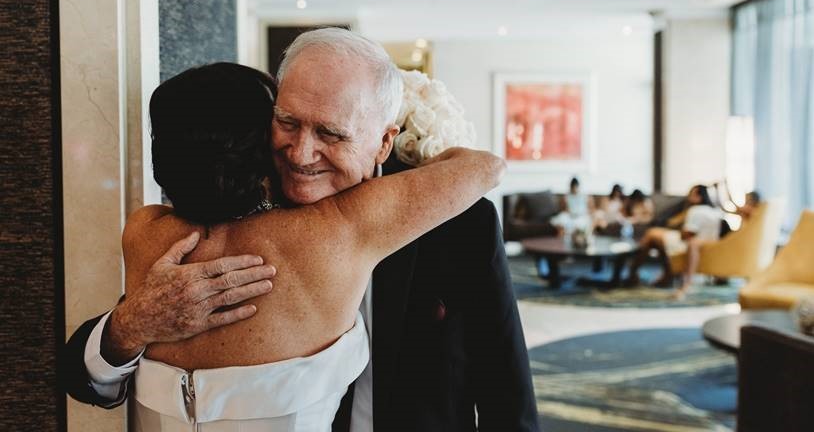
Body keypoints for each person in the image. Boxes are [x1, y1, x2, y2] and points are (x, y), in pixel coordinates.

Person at [60, 28, 539, 431]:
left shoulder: (459, 223)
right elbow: (85, 377)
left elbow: (505, 388)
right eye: (287, 122)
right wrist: (129, 325)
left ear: (384, 141)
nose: (300, 153)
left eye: (330, 133)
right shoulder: (227, 214)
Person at [673, 189, 761, 299]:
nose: (744, 202)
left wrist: (726, 189)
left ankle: (687, 283)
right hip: (736, 240)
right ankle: (715, 278)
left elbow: (735, 207)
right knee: (697, 241)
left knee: (693, 243)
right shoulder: (753, 212)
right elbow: (727, 209)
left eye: (746, 199)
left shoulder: (753, 211)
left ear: (752, 201)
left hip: (736, 244)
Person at [627, 185, 717, 287]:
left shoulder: (696, 211)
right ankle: (666, 275)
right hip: (707, 245)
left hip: (689, 245)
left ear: (699, 196)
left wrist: (680, 230)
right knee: (655, 242)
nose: (688, 197)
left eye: (691, 194)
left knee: (651, 234)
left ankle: (633, 273)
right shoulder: (713, 211)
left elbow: (687, 234)